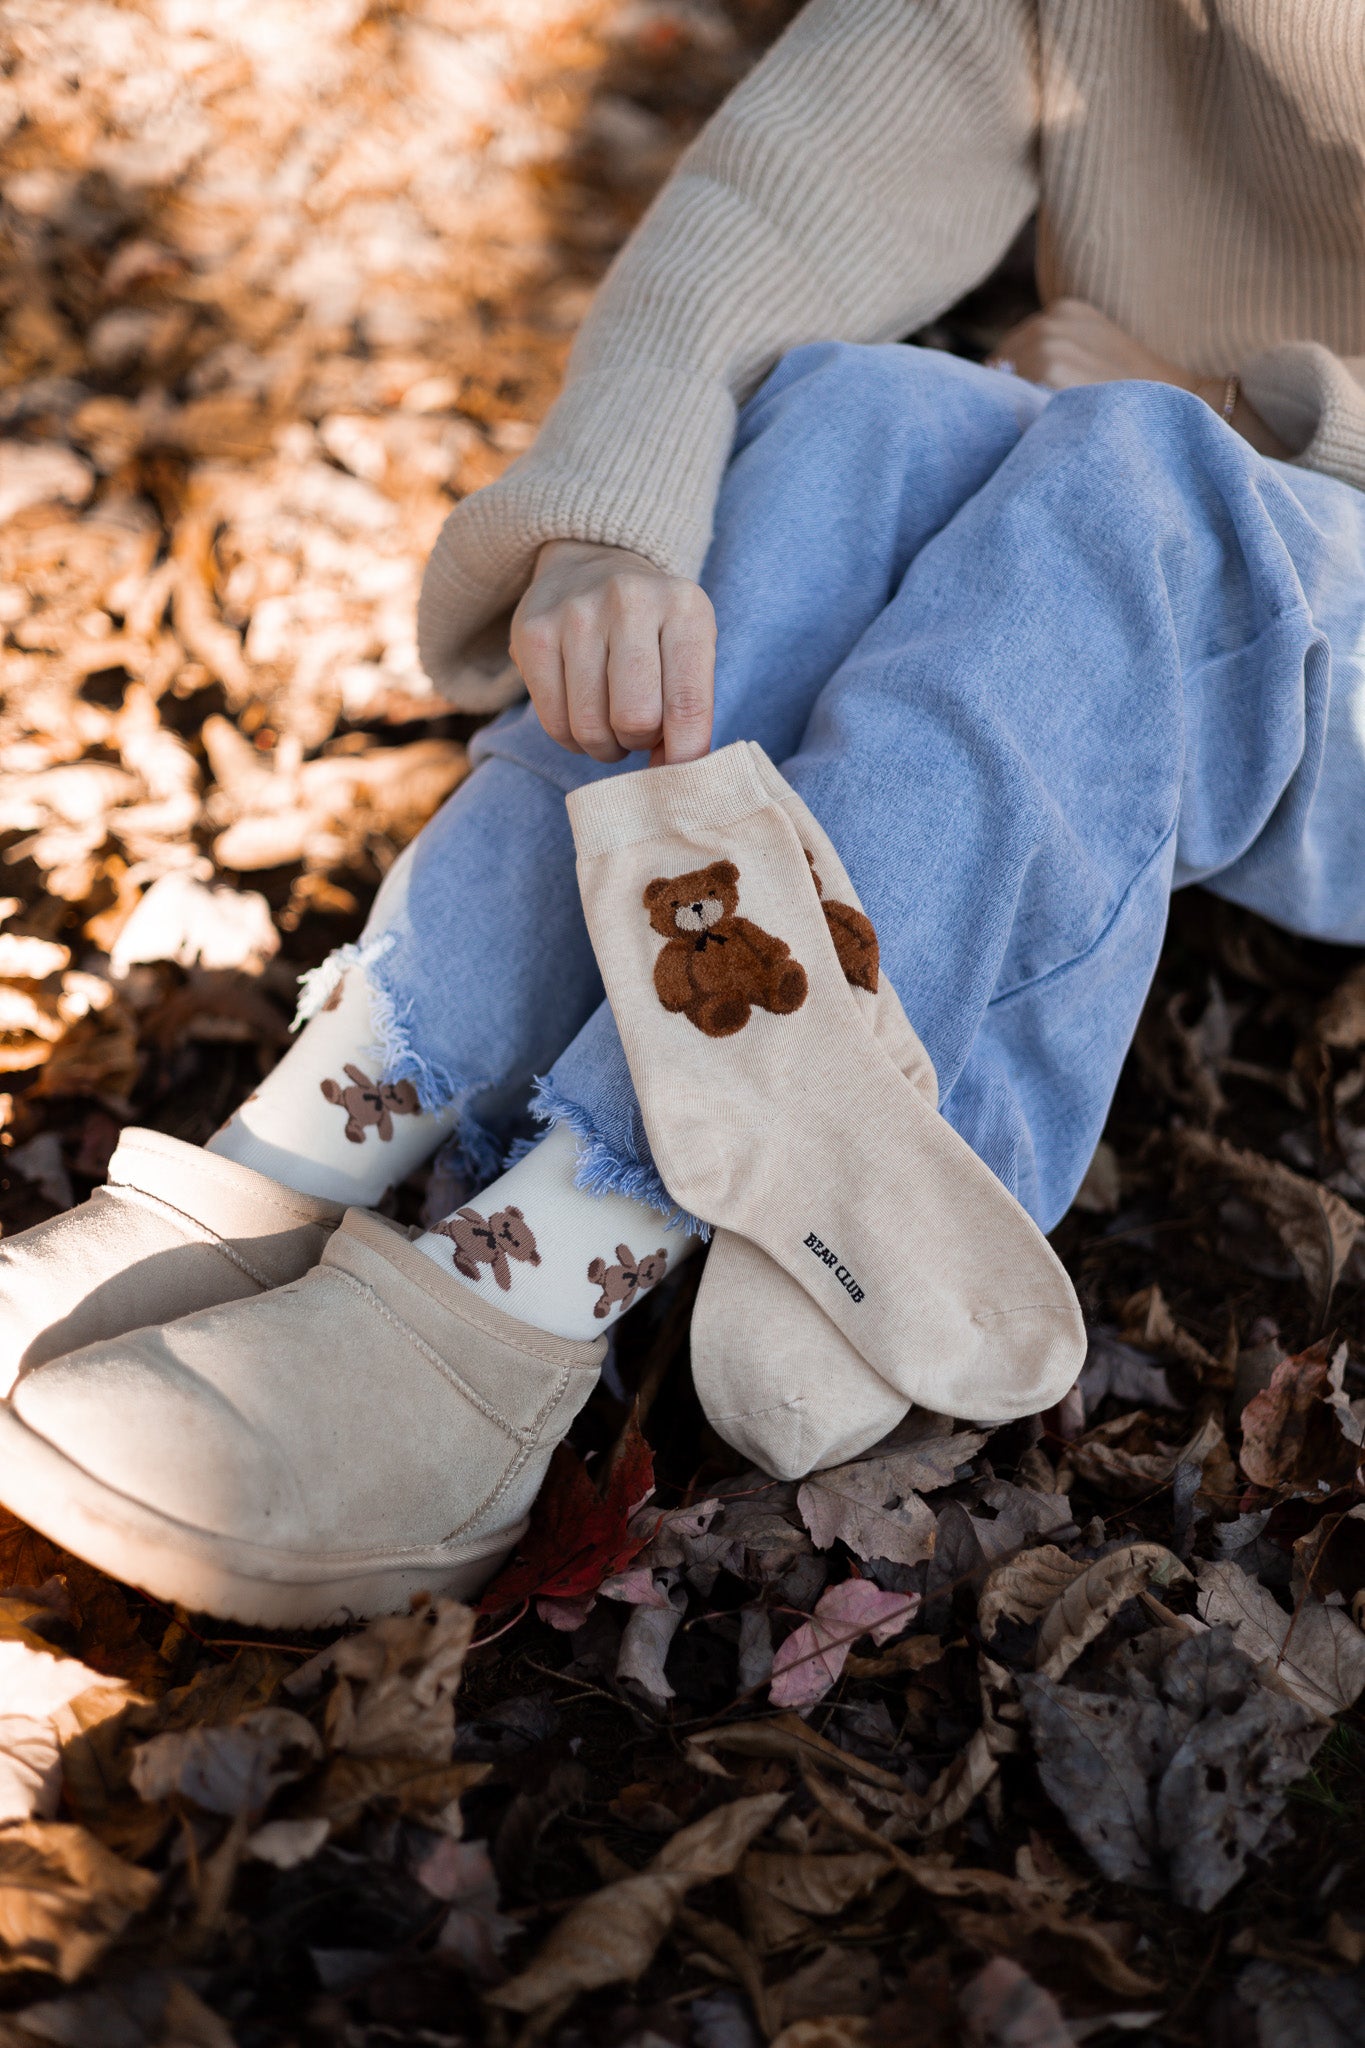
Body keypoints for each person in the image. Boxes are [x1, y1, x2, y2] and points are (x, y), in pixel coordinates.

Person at [0, 0, 1361, 1625]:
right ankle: (324, 1127)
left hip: (1258, 533)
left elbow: (1179, 439)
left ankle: (557, 1262)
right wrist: (610, 528)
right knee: (865, 408)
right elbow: (790, 192)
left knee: (1143, 473)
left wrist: (1247, 407)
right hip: (1153, 474)